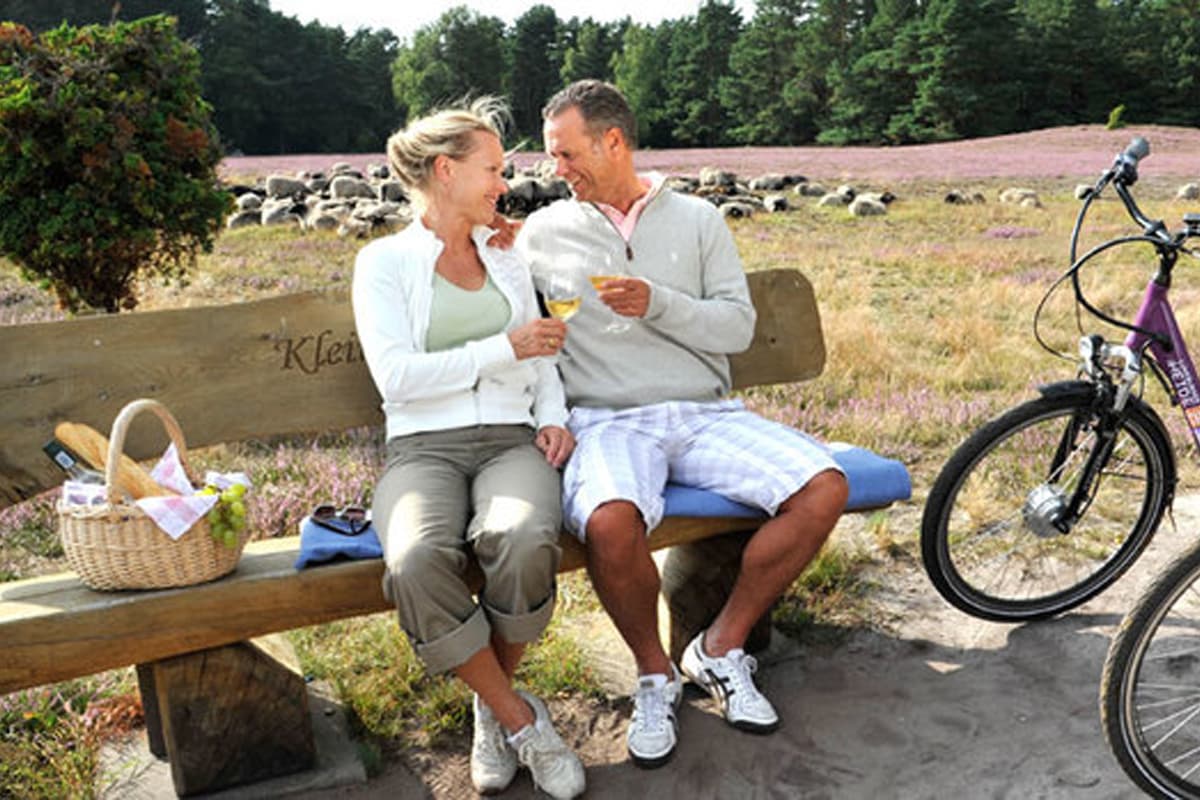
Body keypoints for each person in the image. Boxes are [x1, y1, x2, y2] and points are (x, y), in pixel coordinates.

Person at [516, 80, 849, 768]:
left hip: (703, 412)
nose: (556, 169)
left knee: (824, 486)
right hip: (608, 419)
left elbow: (736, 325)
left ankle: (720, 647)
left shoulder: (698, 221)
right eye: (552, 156)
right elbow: (535, 335)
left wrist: (658, 303)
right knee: (610, 520)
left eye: (566, 153)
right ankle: (654, 675)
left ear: (614, 142)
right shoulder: (543, 233)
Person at [352, 98, 585, 800]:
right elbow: (396, 379)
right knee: (416, 557)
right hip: (423, 448)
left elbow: (541, 353)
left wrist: (552, 414)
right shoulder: (384, 263)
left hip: (511, 439)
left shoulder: (506, 255)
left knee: (521, 534)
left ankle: (490, 709)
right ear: (446, 172)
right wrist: (500, 348)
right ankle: (520, 720)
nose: (503, 185)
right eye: (492, 170)